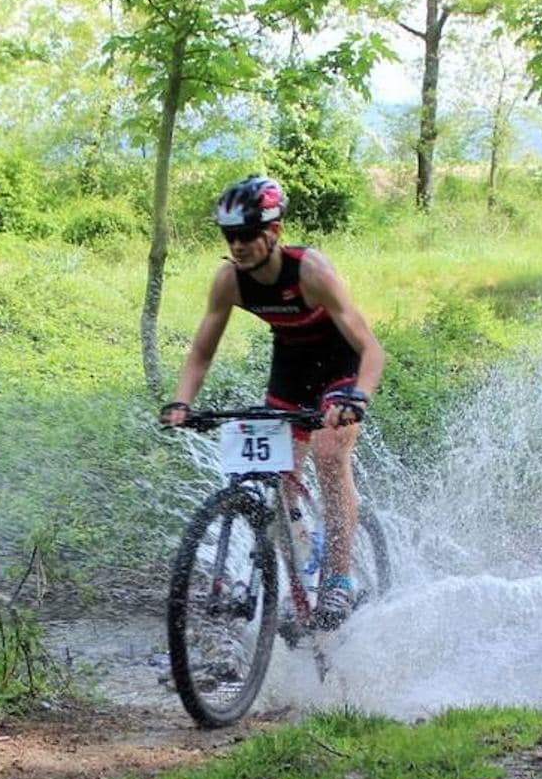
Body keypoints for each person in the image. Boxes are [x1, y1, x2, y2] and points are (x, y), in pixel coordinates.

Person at [160, 176, 385, 630]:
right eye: (229, 237)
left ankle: (339, 581)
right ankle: (301, 577)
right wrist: (182, 402)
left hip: (339, 365)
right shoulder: (230, 281)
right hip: (291, 367)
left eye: (245, 235)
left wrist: (357, 397)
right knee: (279, 477)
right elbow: (201, 351)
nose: (237, 246)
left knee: (328, 454)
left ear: (274, 232)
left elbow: (370, 349)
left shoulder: (311, 271)